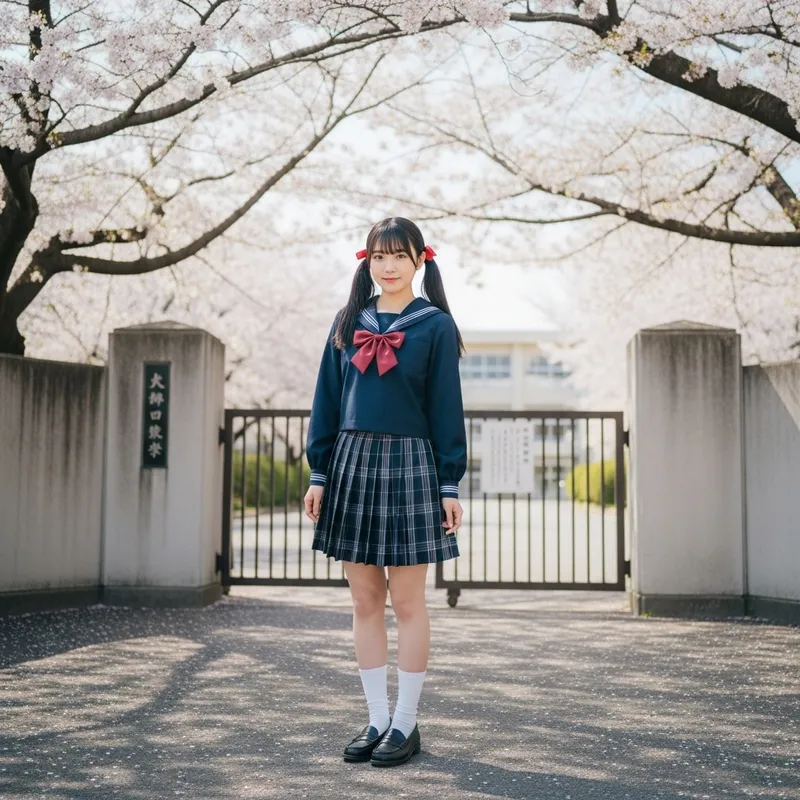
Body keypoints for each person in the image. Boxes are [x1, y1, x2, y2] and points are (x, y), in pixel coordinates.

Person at [303, 216, 467, 768]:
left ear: (421, 259)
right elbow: (327, 399)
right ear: (366, 261)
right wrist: (318, 472)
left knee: (408, 601)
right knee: (364, 599)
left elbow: (447, 409)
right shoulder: (348, 321)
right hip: (350, 464)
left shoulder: (436, 326)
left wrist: (450, 482)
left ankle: (406, 722)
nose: (389, 266)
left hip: (411, 465)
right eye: (379, 256)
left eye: (399, 255)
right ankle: (376, 718)